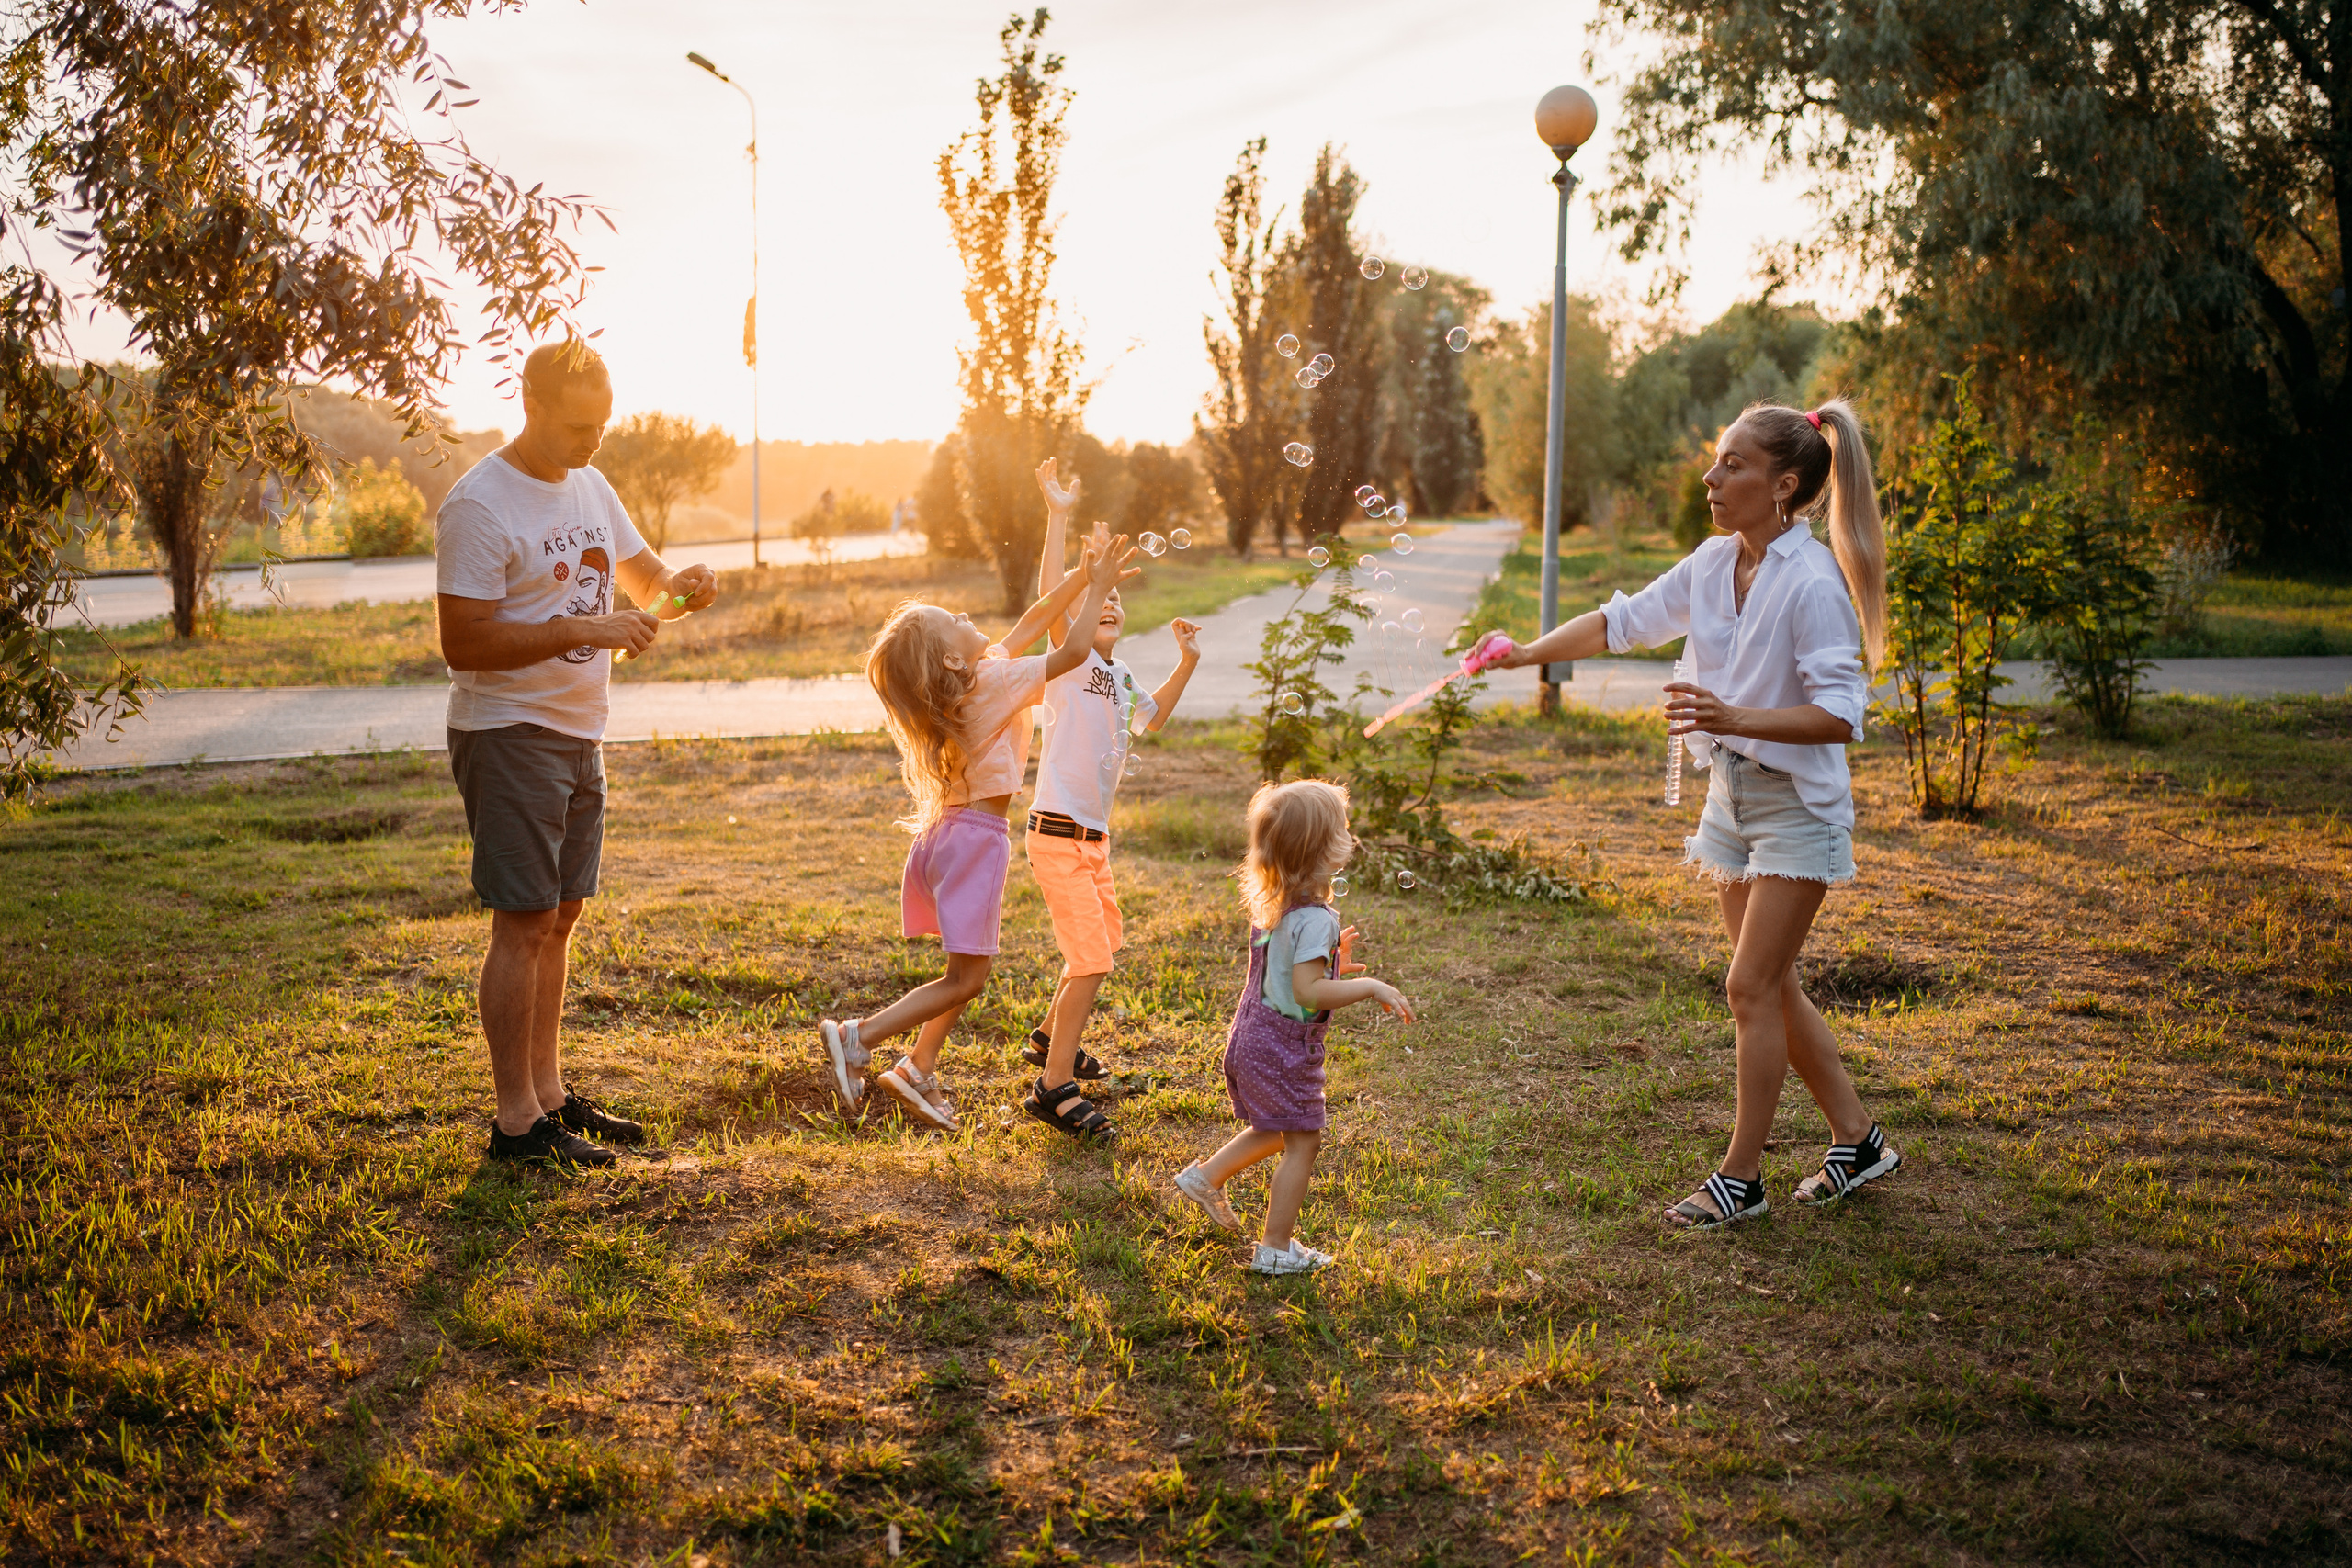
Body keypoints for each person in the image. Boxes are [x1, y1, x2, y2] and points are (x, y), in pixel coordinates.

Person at [1489, 398, 1899, 1230]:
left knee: (1748, 985)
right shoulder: (1716, 563)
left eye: (1734, 465)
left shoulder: (1812, 583)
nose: (1712, 477)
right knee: (1773, 986)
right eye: (1717, 460)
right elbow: (1622, 622)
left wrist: (1732, 717)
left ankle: (1740, 1178)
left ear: (1785, 486)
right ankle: (1857, 1139)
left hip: (1795, 807)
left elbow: (1842, 714)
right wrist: (1524, 653)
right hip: (1731, 800)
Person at [436, 340, 719, 1168]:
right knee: (521, 924)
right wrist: (582, 629)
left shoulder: (592, 484)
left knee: (559, 921)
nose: (592, 442)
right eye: (577, 426)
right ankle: (516, 1123)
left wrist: (687, 591)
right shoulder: (480, 503)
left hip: (578, 733)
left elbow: (647, 591)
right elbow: (463, 641)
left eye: (602, 425)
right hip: (508, 731)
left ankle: (552, 1096)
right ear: (527, 401)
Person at [818, 528, 1139, 1128]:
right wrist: (1094, 588)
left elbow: (1040, 614)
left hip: (949, 834)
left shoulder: (979, 675)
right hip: (975, 840)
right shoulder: (992, 681)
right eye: (956, 618)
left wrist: (1081, 568)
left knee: (964, 971)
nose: (968, 615)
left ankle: (917, 1068)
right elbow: (1069, 653)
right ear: (950, 657)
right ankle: (859, 1035)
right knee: (968, 977)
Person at [1018, 458, 1204, 1143]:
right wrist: (1059, 514)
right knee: (1090, 959)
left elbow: (1153, 718)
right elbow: (1051, 596)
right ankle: (1052, 1085)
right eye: (1101, 600)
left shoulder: (1121, 675)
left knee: (1105, 942)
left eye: (1119, 602)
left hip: (1093, 840)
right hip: (1057, 834)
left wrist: (1186, 661)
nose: (1111, 606)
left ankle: (1047, 1037)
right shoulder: (1070, 665)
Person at [1170, 779, 1414, 1275]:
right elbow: (1307, 992)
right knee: (1302, 1139)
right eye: (1342, 828)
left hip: (1251, 1038)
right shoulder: (1316, 919)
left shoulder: (1275, 904)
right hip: (1284, 1046)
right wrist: (1371, 987)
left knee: (1277, 1128)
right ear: (1325, 847)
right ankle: (1276, 1249)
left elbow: (1289, 974)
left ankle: (1206, 1176)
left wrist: (1335, 963)